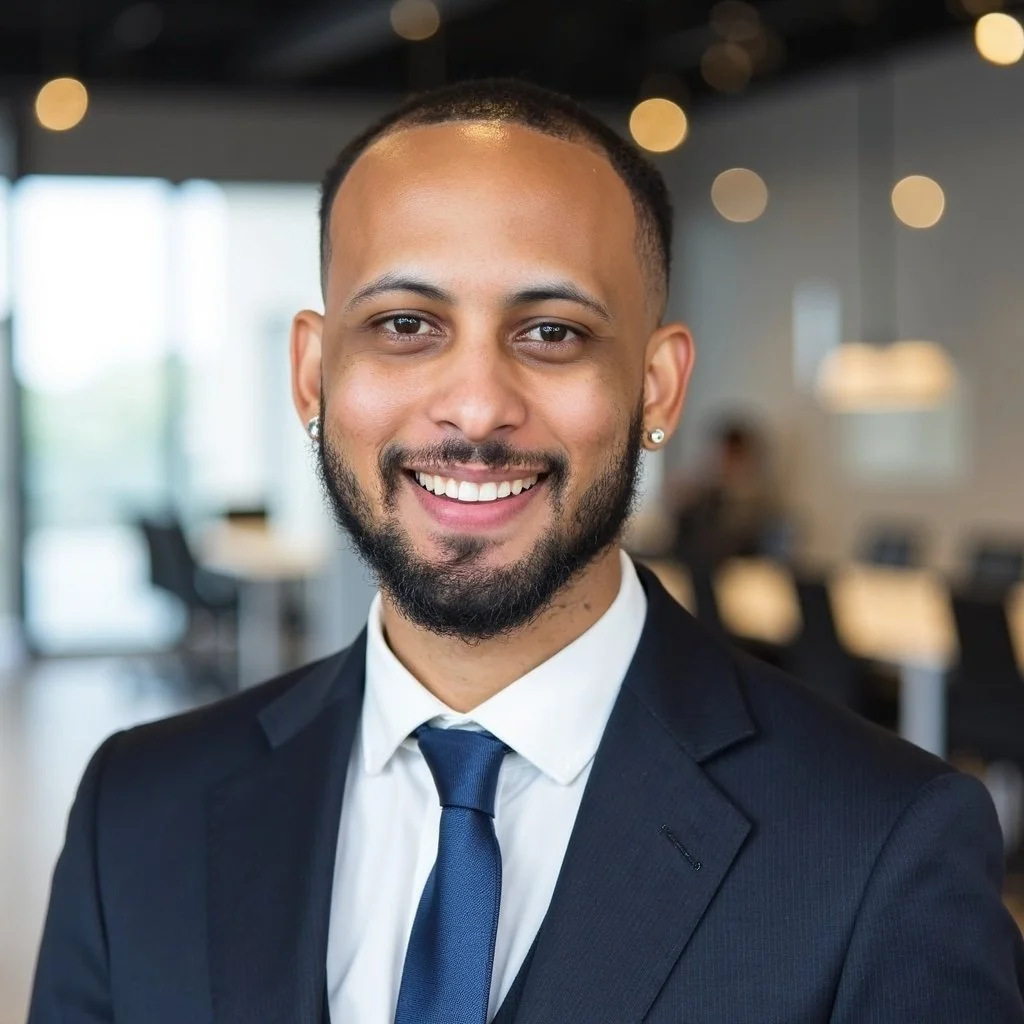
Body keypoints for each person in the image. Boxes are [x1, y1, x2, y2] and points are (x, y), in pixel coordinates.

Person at [28, 79, 1024, 1024]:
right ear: (312, 373)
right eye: (405, 324)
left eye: (550, 332)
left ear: (659, 388)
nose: (474, 406)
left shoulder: (881, 845)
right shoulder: (137, 811)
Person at [670, 416, 778, 567]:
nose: (725, 463)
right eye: (723, 455)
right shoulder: (702, 496)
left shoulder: (758, 503)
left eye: (733, 457)